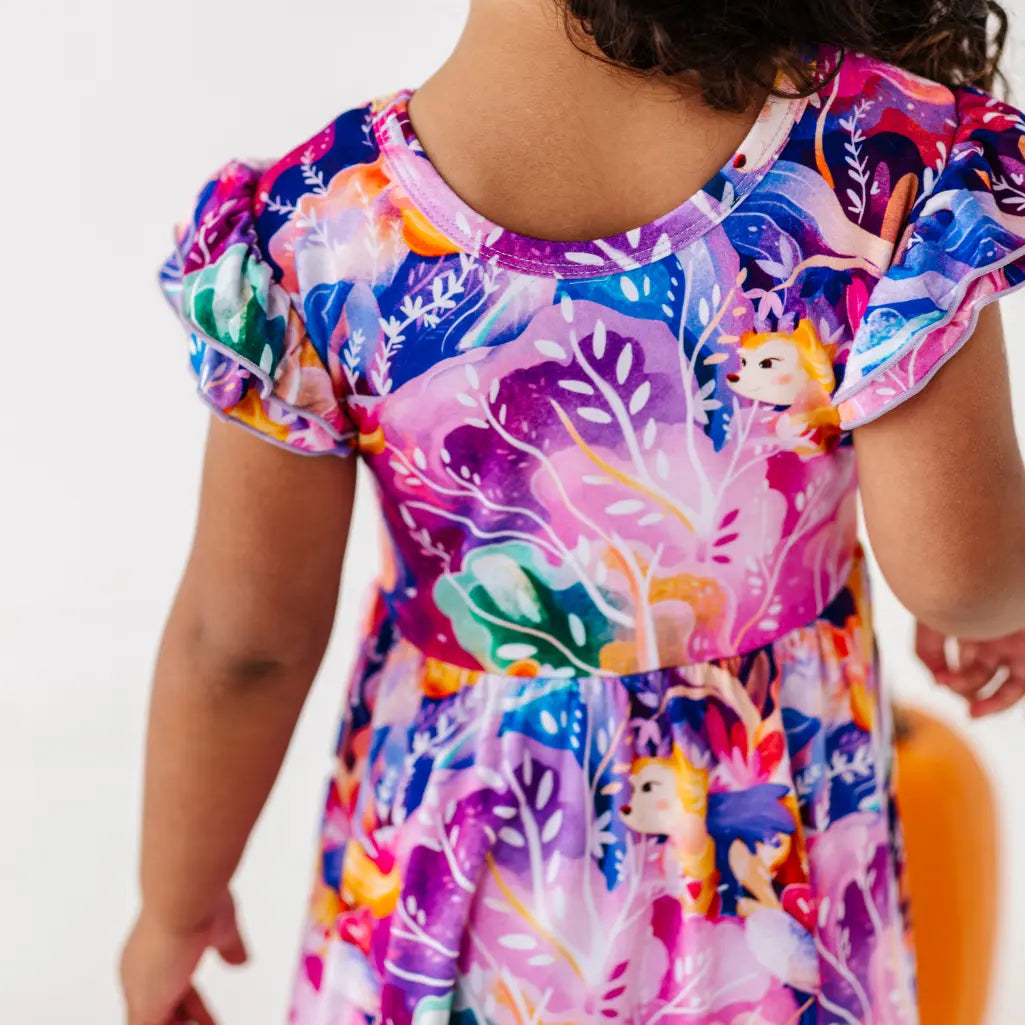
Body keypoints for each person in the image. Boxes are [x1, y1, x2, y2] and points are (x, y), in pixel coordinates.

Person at [120, 1, 1025, 1023]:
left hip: (455, 887)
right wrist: (996, 601)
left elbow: (242, 642)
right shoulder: (876, 171)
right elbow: (958, 573)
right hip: (764, 874)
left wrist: (174, 906)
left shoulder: (316, 229)